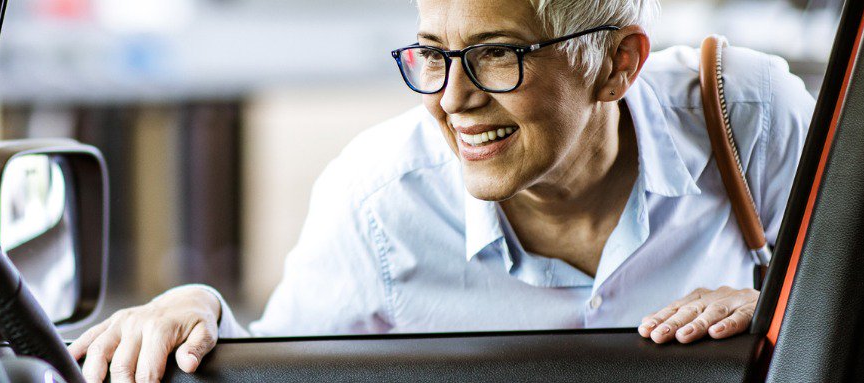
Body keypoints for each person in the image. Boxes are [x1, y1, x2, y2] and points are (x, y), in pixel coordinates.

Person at [68, 0, 814, 381]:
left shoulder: (745, 118)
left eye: (496, 55)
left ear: (618, 64)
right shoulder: (379, 204)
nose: (451, 99)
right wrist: (194, 306)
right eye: (432, 55)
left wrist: (787, 309)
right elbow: (278, 364)